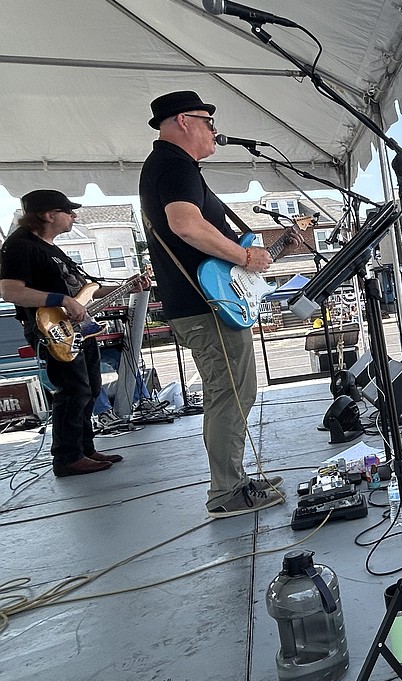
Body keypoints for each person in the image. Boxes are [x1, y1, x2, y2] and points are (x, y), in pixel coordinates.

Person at [139, 91, 301, 518]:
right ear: (183, 121)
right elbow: (186, 225)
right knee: (230, 393)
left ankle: (235, 479)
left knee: (233, 391)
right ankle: (227, 492)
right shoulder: (173, 164)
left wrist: (262, 249)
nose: (214, 129)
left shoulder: (174, 166)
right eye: (207, 121)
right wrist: (247, 256)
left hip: (203, 301)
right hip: (203, 304)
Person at [0, 190, 149, 476]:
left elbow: (84, 292)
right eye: (69, 211)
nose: (74, 216)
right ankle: (67, 458)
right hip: (48, 328)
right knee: (73, 390)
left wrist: (127, 286)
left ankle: (84, 449)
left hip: (77, 328)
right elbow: (10, 290)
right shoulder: (20, 246)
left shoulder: (52, 248)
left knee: (91, 387)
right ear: (48, 215)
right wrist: (61, 300)